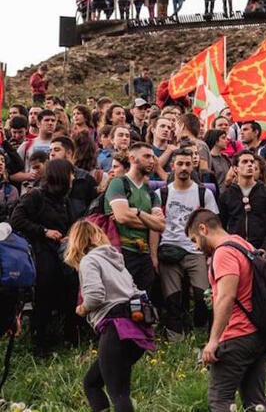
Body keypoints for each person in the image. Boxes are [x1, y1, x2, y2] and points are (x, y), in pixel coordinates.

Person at [186, 209, 266, 412]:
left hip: (237, 335)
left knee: (221, 400)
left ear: (203, 229)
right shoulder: (243, 244)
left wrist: (214, 340)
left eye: (194, 240)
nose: (196, 247)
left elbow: (227, 296)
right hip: (259, 333)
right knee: (256, 404)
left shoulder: (224, 252)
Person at [65, 220, 155, 412]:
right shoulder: (116, 261)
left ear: (76, 242)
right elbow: (136, 291)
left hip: (116, 330)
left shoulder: (89, 261)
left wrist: (82, 309)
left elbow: (95, 296)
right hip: (136, 330)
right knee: (92, 382)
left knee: (118, 393)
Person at [10, 158, 81, 354]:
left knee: (70, 287)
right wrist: (44, 231)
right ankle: (39, 341)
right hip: (40, 252)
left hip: (61, 252)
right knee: (44, 292)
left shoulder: (65, 201)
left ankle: (68, 336)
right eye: (70, 174)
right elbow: (17, 220)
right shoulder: (35, 197)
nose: (73, 178)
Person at [157, 149, 219, 339]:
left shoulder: (204, 193)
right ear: (172, 166)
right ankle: (175, 337)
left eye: (187, 164)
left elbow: (213, 226)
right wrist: (153, 254)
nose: (184, 168)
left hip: (195, 251)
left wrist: (212, 255)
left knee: (203, 296)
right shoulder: (162, 193)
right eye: (180, 164)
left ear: (193, 166)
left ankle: (200, 332)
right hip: (169, 248)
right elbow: (154, 226)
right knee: (172, 297)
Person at [103, 142, 166, 295]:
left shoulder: (151, 192)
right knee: (122, 301)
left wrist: (138, 213)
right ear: (132, 158)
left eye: (153, 157)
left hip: (144, 255)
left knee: (144, 305)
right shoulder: (118, 184)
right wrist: (150, 222)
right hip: (121, 252)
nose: (152, 161)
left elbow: (161, 226)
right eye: (146, 156)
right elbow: (123, 216)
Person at [218, 150, 266, 251]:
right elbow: (222, 225)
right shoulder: (227, 195)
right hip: (236, 249)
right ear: (235, 168)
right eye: (245, 162)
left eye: (251, 162)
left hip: (262, 250)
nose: (250, 164)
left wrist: (265, 247)